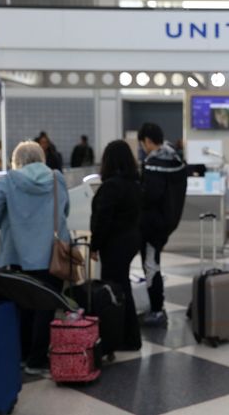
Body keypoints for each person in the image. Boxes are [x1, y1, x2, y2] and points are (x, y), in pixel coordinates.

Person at [0, 140, 70, 375]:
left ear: (17, 161)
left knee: (22, 304)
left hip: (17, 253)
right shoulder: (56, 178)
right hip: (50, 253)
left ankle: (22, 355)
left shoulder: (9, 180)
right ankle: (37, 359)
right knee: (46, 305)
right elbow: (64, 208)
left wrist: (8, 223)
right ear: (41, 157)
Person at [90, 140, 142, 350]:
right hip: (131, 240)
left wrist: (94, 245)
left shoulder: (111, 186)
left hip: (115, 244)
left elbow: (103, 220)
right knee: (122, 286)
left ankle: (123, 338)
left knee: (115, 290)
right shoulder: (134, 184)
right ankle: (128, 336)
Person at [137, 123, 187, 326]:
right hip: (169, 221)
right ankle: (157, 307)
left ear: (148, 141)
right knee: (154, 262)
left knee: (150, 265)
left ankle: (157, 309)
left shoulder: (153, 164)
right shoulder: (176, 159)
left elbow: (149, 196)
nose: (143, 147)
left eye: (142, 143)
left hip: (151, 226)